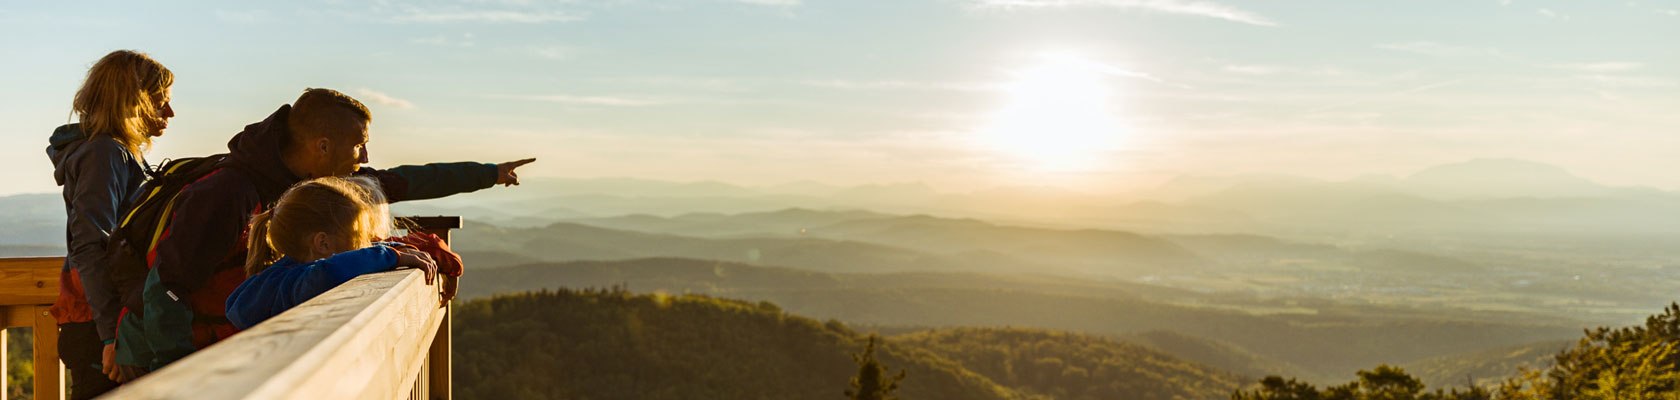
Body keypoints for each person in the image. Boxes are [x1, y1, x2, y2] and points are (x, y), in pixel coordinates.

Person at [113, 88, 536, 376]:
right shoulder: (227, 194)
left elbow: (404, 180)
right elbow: (165, 286)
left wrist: (489, 174)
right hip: (163, 360)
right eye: (359, 144)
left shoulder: (318, 188)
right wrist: (184, 374)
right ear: (322, 146)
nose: (365, 155)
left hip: (224, 347)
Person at [45, 49, 173, 398]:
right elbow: (90, 243)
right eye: (161, 102)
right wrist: (112, 334)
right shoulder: (105, 153)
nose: (170, 113)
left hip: (101, 319)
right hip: (99, 324)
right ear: (133, 101)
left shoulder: (109, 151)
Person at [225, 177, 440, 330]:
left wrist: (397, 249)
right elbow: (331, 271)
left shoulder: (282, 275)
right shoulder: (304, 279)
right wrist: (391, 256)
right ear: (323, 243)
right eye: (358, 236)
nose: (363, 245)